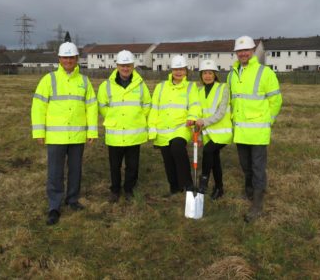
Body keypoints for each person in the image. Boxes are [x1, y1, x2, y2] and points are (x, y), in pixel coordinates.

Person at [31, 41, 98, 225]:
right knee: (55, 172)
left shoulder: (84, 81)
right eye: (65, 57)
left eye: (71, 57)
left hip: (77, 135)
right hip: (56, 137)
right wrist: (39, 131)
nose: (68, 60)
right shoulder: (48, 79)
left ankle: (73, 199)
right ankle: (54, 206)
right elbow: (38, 106)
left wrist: (92, 130)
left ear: (77, 59)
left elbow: (91, 107)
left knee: (75, 170)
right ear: (59, 59)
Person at [228, 36, 282, 222]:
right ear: (236, 53)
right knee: (245, 166)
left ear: (252, 51)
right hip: (241, 131)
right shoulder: (232, 73)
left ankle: (257, 204)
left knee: (258, 167)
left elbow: (275, 100)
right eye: (239, 51)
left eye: (246, 50)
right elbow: (232, 101)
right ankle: (249, 191)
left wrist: (269, 121)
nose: (243, 53)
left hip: (258, 130)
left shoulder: (265, 72)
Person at [97, 50, 151, 203]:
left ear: (133, 66)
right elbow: (102, 105)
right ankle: (115, 190)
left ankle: (129, 189)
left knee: (132, 165)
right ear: (117, 66)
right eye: (122, 66)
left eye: (128, 66)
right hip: (115, 132)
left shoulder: (141, 85)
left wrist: (138, 116)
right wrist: (113, 117)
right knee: (115, 165)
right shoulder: (106, 86)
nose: (125, 69)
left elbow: (147, 104)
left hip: (134, 132)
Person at [148, 55, 201, 196]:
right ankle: (175, 187)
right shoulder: (160, 87)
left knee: (177, 148)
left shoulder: (191, 87)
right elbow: (154, 108)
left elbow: (195, 106)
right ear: (172, 70)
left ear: (186, 71)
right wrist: (152, 128)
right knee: (168, 159)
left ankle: (188, 184)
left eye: (181, 69)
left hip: (181, 127)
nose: (179, 72)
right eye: (176, 69)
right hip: (163, 129)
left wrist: (191, 117)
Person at [195, 59, 232, 200]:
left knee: (208, 151)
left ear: (215, 74)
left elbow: (221, 112)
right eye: (204, 73)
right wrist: (198, 136)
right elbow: (197, 115)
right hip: (207, 134)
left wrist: (204, 122)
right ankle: (219, 187)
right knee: (214, 159)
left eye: (210, 73)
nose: (207, 76)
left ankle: (203, 182)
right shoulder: (198, 91)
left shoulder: (224, 88)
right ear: (201, 75)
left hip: (222, 132)